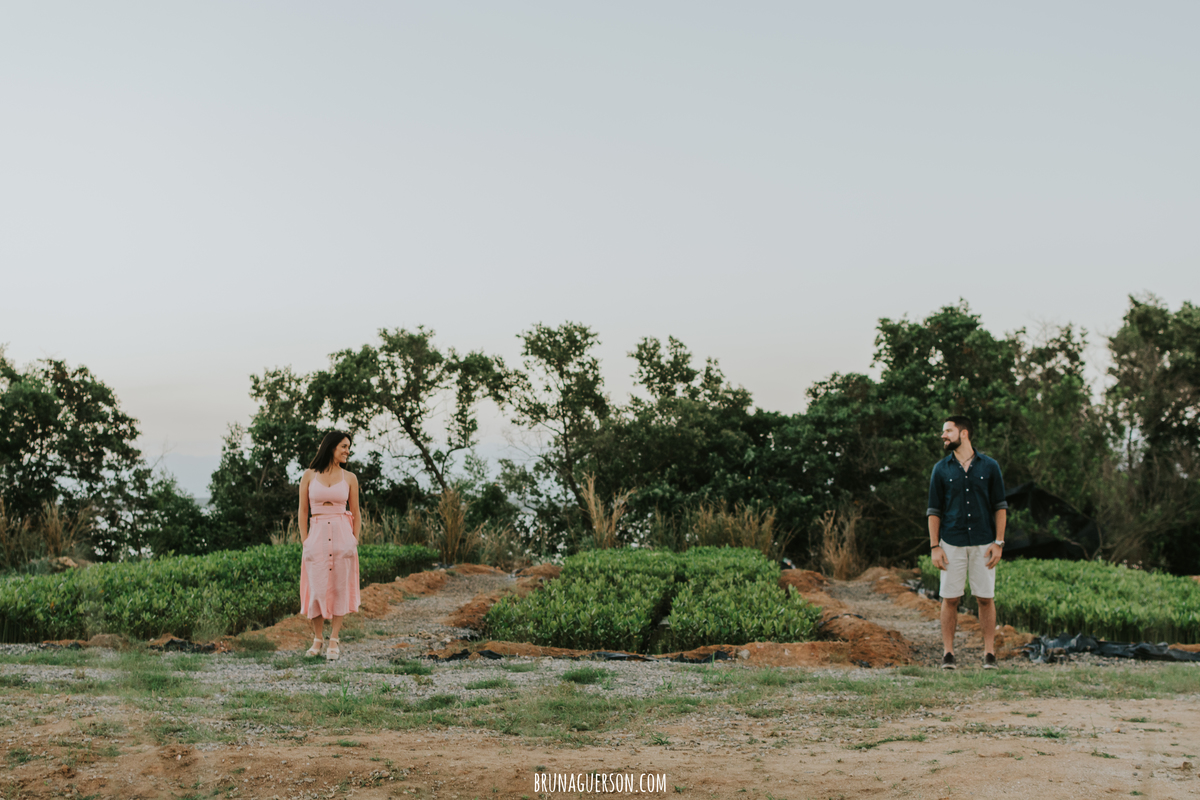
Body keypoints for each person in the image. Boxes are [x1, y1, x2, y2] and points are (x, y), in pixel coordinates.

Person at [926, 416, 1007, 670]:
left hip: (984, 542)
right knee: (950, 598)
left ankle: (989, 653)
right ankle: (948, 653)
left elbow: (1000, 507)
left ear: (964, 433)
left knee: (985, 597)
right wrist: (934, 546)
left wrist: (999, 542)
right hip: (951, 542)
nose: (943, 435)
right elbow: (934, 511)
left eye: (948, 431)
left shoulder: (990, 466)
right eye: (943, 431)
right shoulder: (941, 469)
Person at [298, 431, 362, 661]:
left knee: (339, 588)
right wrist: (305, 541)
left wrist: (353, 540)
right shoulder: (309, 475)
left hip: (342, 536)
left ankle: (334, 638)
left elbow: (356, 512)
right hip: (316, 536)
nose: (347, 451)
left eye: (348, 447)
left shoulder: (350, 478)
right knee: (316, 588)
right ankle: (317, 638)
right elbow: (303, 511)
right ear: (331, 447)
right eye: (344, 446)